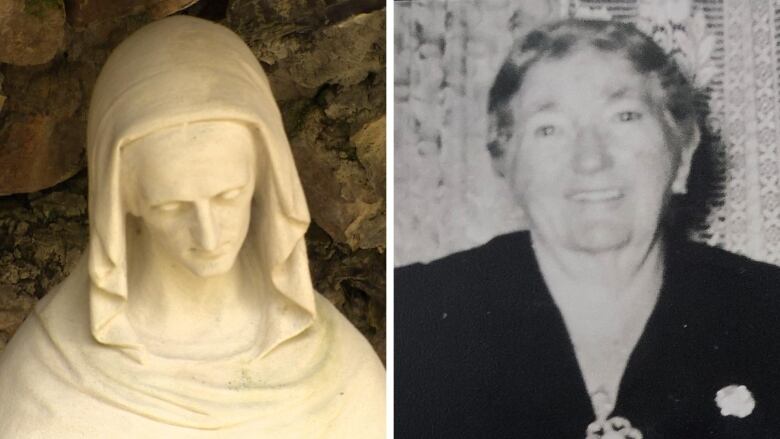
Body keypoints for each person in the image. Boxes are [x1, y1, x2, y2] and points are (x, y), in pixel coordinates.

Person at [0, 16, 385, 438]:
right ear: (124, 200)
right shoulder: (48, 382)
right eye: (172, 205)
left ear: (262, 178)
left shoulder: (341, 373)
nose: (208, 233)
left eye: (228, 196)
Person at [396, 19, 780, 438]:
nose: (590, 160)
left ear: (683, 153)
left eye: (624, 116)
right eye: (550, 128)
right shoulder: (414, 317)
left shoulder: (767, 311)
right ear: (505, 162)